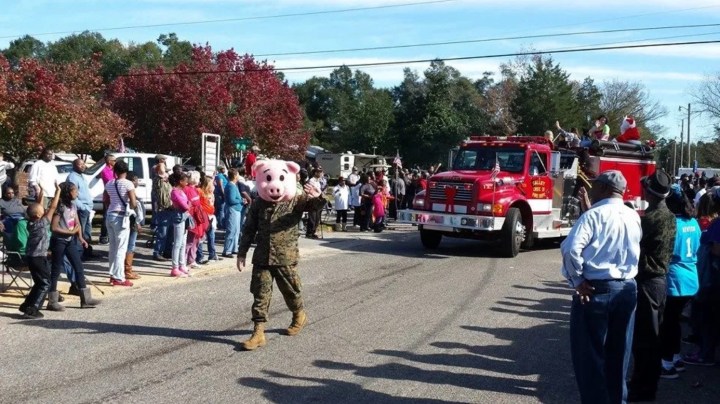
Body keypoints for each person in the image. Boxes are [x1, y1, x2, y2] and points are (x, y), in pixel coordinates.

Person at [560, 170, 641, 404]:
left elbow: (570, 249)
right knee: (619, 355)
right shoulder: (632, 215)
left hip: (596, 290)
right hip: (627, 289)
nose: (592, 189)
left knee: (590, 358)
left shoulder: (593, 216)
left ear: (605, 188)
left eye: (595, 185)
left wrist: (577, 281)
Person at [236, 159, 326, 351]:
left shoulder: (296, 200)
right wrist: (241, 252)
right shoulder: (259, 203)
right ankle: (258, 332)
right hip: (262, 256)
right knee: (260, 293)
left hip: (285, 256)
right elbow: (249, 229)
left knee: (291, 291)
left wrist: (319, 197)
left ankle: (298, 314)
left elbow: (313, 206)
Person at [628, 169, 676, 402]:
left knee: (645, 340)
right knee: (651, 336)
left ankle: (642, 390)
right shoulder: (668, 215)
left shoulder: (651, 218)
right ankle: (644, 384)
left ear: (651, 192)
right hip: (658, 281)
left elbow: (635, 244)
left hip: (648, 281)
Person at [658, 185, 701, 379]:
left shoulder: (672, 225)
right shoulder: (694, 222)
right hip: (691, 276)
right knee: (674, 321)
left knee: (668, 322)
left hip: (675, 278)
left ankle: (667, 362)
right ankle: (675, 357)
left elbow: (667, 252)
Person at [49, 182, 99, 309]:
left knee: (78, 267)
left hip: (70, 240)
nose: (77, 193)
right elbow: (54, 227)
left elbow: (77, 223)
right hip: (59, 241)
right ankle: (52, 301)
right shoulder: (60, 207)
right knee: (55, 270)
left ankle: (85, 299)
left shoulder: (73, 205)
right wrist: (70, 232)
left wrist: (81, 237)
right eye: (74, 190)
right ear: (67, 192)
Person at [17, 186, 61, 318]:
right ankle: (33, 309)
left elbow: (38, 206)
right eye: (43, 210)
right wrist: (57, 192)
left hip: (31, 257)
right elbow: (53, 207)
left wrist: (41, 192)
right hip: (38, 258)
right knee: (45, 283)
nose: (45, 209)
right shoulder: (42, 223)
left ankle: (27, 305)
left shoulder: (31, 222)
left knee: (39, 282)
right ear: (39, 215)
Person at [104, 160, 137, 287]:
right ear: (126, 171)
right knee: (121, 248)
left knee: (112, 247)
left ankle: (112, 275)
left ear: (115, 171)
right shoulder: (128, 184)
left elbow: (106, 200)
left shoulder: (109, 183)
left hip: (110, 215)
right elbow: (133, 202)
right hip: (121, 216)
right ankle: (119, 277)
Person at [66, 158, 94, 260]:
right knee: (79, 232)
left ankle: (87, 252)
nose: (83, 166)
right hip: (81, 209)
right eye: (80, 164)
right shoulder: (72, 177)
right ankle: (79, 254)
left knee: (87, 232)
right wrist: (82, 207)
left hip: (87, 208)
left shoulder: (81, 176)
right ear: (74, 165)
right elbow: (73, 196)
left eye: (83, 164)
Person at [184, 171, 208, 271]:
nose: (199, 180)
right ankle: (184, 261)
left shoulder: (194, 189)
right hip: (192, 216)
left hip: (197, 215)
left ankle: (192, 260)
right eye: (197, 178)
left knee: (196, 240)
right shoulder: (187, 189)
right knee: (190, 240)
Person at [169, 172, 191, 277]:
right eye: (185, 180)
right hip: (179, 217)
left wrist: (188, 204)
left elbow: (187, 203)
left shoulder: (181, 191)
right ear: (180, 181)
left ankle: (182, 264)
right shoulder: (175, 192)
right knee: (177, 243)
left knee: (183, 243)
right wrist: (188, 205)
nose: (187, 182)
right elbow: (185, 205)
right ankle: (175, 267)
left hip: (184, 217)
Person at [124, 173, 144, 280]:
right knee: (130, 245)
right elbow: (133, 209)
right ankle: (127, 270)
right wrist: (138, 223)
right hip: (132, 221)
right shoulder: (130, 192)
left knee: (129, 244)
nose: (138, 182)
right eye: (136, 180)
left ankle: (127, 268)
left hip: (131, 221)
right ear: (132, 181)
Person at [196, 175, 220, 264]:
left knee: (211, 236)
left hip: (210, 216)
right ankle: (199, 256)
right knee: (201, 237)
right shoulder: (200, 192)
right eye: (211, 184)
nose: (213, 185)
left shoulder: (211, 193)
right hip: (203, 216)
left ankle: (212, 254)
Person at [222, 169, 243, 258]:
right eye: (237, 175)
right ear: (235, 176)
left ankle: (234, 248)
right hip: (232, 210)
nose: (238, 176)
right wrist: (241, 200)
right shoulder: (231, 186)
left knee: (236, 230)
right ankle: (227, 250)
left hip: (237, 209)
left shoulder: (234, 185)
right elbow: (231, 200)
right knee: (231, 230)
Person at [98, 154, 117, 245]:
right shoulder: (105, 171)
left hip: (115, 197)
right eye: (114, 160)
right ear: (109, 161)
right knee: (106, 216)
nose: (115, 162)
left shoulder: (114, 170)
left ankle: (110, 235)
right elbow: (111, 182)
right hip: (108, 197)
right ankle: (103, 236)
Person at [305, 168, 324, 239]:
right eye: (319, 172)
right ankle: (309, 233)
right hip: (312, 200)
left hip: (317, 201)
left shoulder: (318, 181)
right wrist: (321, 193)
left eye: (321, 172)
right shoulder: (311, 180)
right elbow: (315, 190)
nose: (321, 174)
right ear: (315, 173)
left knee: (317, 218)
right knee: (312, 218)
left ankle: (313, 232)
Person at [214, 165, 228, 230]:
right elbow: (221, 186)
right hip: (220, 195)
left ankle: (221, 223)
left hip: (221, 194)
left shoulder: (223, 176)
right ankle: (221, 225)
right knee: (221, 209)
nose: (224, 169)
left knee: (221, 209)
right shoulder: (219, 176)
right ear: (220, 169)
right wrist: (224, 194)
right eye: (222, 168)